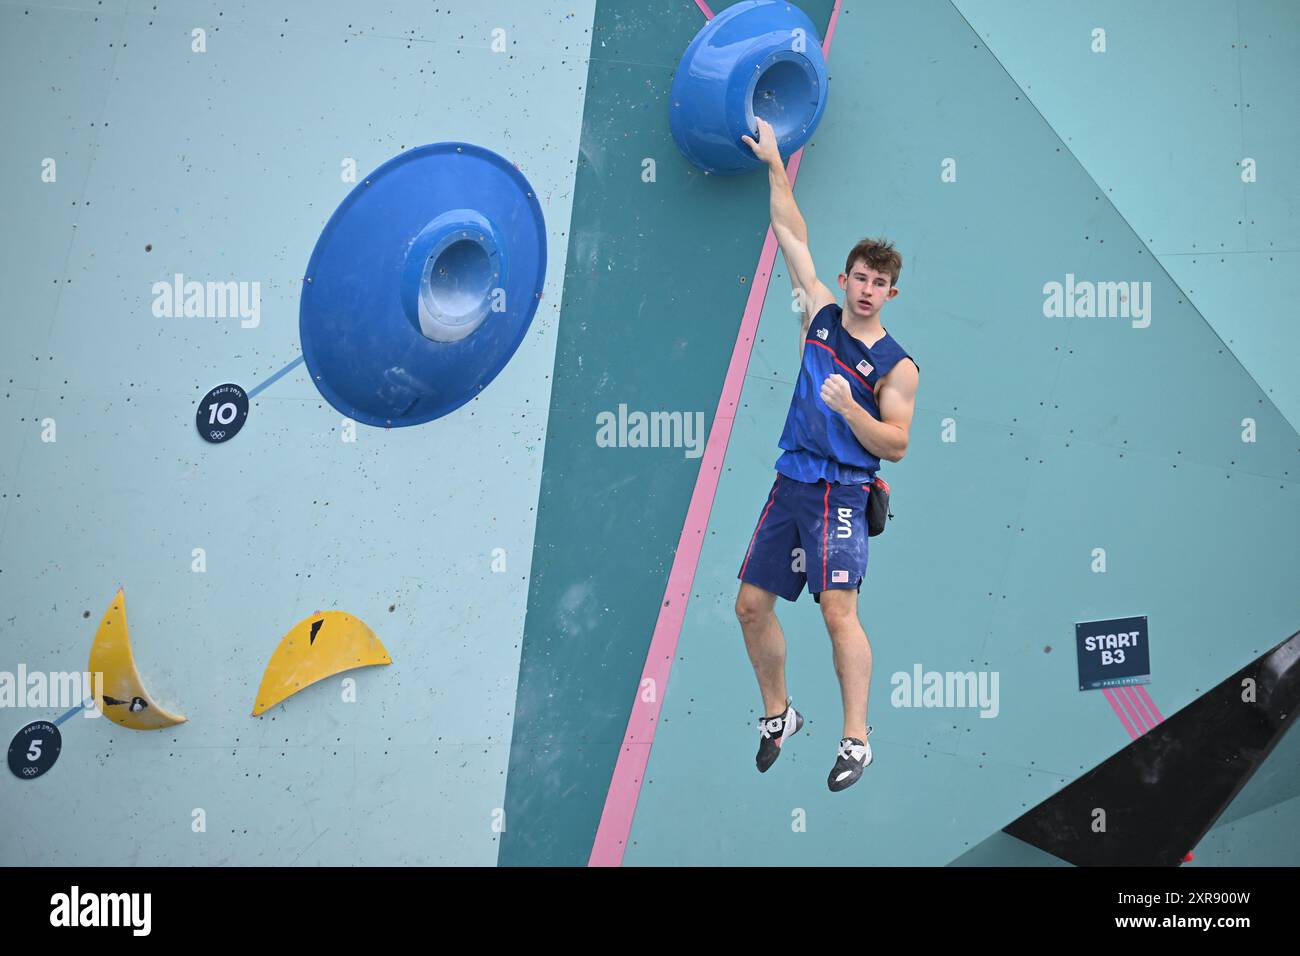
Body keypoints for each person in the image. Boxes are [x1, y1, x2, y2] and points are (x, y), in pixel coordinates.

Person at [736, 118, 920, 792]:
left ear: (891, 294)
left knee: (836, 611)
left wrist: (850, 409)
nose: (867, 289)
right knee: (751, 607)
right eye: (861, 277)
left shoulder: (898, 367)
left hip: (842, 492)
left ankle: (856, 740)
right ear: (845, 279)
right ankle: (779, 714)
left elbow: (896, 445)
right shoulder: (818, 314)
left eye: (880, 283)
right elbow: (791, 232)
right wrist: (775, 162)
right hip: (792, 482)